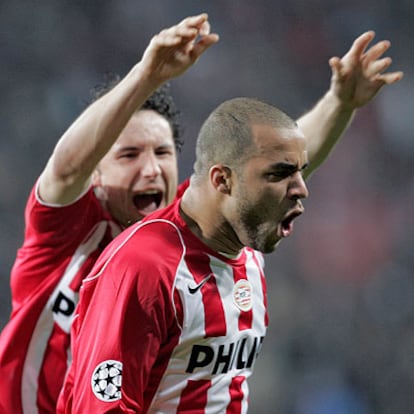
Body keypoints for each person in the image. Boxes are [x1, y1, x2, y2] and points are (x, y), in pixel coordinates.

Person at [0, 11, 402, 414]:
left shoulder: (189, 233)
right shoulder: (65, 232)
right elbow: (68, 166)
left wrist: (338, 103)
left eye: (161, 152)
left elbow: (263, 175)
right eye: (129, 155)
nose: (151, 168)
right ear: (96, 171)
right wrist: (148, 75)